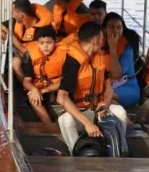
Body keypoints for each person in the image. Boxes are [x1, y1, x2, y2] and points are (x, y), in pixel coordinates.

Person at [54, 22, 128, 154]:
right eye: (102, 38)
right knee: (65, 120)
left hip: (99, 109)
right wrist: (87, 123)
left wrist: (104, 103)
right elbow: (61, 98)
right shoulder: (72, 62)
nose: (103, 41)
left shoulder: (99, 59)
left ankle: (118, 151)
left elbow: (109, 87)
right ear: (96, 40)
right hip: (79, 111)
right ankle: (76, 153)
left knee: (120, 112)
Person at [18, 27, 65, 123]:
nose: (45, 46)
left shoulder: (63, 54)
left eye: (49, 43)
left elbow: (67, 79)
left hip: (57, 85)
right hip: (39, 84)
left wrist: (43, 91)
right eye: (42, 43)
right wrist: (34, 90)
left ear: (55, 41)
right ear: (37, 43)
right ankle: (48, 125)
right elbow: (26, 81)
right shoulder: (30, 55)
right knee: (32, 96)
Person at [101, 13, 140, 107]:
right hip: (107, 85)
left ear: (123, 29)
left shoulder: (127, 47)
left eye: (119, 27)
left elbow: (117, 75)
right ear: (105, 29)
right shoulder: (100, 42)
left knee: (102, 96)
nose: (115, 30)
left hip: (127, 87)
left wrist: (113, 50)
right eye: (111, 27)